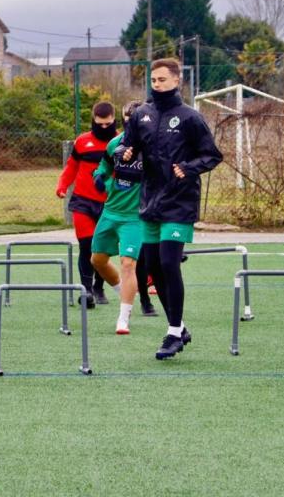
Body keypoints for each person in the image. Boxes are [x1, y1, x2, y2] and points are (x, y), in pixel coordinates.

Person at [121, 58, 222, 359]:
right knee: (152, 267)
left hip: (180, 201)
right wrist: (126, 153)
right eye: (153, 80)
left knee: (168, 263)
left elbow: (212, 155)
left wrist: (188, 168)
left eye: (162, 79)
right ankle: (179, 328)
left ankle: (174, 332)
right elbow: (128, 147)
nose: (157, 84)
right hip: (150, 200)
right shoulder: (141, 114)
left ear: (177, 81)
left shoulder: (190, 117)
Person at [90, 101, 156, 335]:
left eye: (134, 121)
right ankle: (124, 292)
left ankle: (123, 318)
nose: (130, 126)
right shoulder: (114, 144)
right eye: (126, 121)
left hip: (135, 217)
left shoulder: (155, 147)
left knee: (128, 264)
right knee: (97, 260)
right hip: (111, 212)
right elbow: (104, 167)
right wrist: (99, 177)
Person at [56, 102, 115, 307]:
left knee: (102, 248)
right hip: (82, 201)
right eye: (100, 124)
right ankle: (86, 291)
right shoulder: (82, 141)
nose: (104, 128)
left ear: (114, 120)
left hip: (110, 203)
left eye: (108, 124)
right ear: (93, 121)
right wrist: (62, 185)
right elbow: (71, 167)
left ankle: (99, 287)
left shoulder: (120, 142)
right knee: (86, 245)